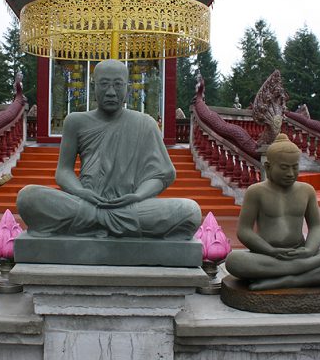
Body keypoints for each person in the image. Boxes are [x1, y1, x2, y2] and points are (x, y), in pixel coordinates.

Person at [16, 59, 201, 239]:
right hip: (86, 202)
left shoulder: (146, 123)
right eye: (104, 84)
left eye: (118, 85)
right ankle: (112, 224)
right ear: (93, 87)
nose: (111, 92)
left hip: (130, 207)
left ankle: (93, 223)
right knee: (28, 197)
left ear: (127, 88)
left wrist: (137, 196)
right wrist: (81, 192)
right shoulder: (75, 121)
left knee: (190, 211)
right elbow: (64, 171)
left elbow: (163, 175)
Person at [224, 134, 320, 291]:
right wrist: (270, 251)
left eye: (295, 167)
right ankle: (306, 270)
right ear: (268, 167)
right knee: (234, 261)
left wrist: (309, 250)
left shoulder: (306, 191)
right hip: (267, 256)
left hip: (300, 252)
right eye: (284, 167)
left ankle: (289, 280)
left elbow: (316, 227)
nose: (290, 173)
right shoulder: (256, 192)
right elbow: (244, 230)